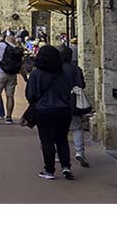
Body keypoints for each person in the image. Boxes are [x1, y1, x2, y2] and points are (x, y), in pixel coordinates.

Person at [25, 44, 77, 180]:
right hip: (63, 109)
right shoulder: (63, 73)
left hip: (44, 110)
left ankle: (49, 170)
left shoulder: (36, 74)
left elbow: (30, 94)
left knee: (47, 141)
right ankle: (66, 166)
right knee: (62, 139)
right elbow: (69, 89)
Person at [61, 46, 90, 168]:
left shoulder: (56, 69)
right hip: (73, 102)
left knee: (60, 130)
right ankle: (80, 151)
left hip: (59, 101)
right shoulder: (75, 69)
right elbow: (81, 84)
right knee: (77, 127)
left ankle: (58, 153)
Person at [0, 31, 23, 124]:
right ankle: (9, 117)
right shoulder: (17, 48)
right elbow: (21, 64)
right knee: (10, 96)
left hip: (0, 72)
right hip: (12, 74)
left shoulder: (0, 45)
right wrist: (25, 77)